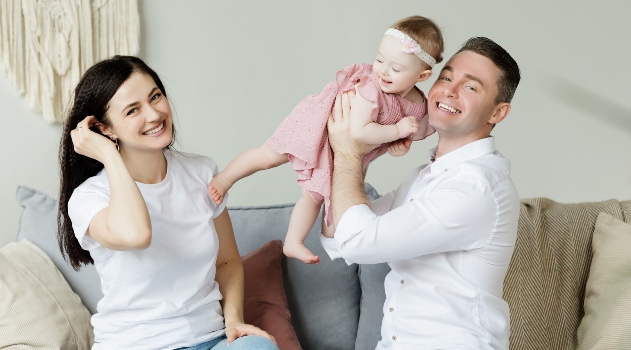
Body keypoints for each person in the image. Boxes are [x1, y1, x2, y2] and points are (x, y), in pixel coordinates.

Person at [56, 56, 278, 350]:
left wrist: (234, 320)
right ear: (105, 129)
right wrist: (109, 156)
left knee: (259, 347)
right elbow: (137, 235)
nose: (153, 114)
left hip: (209, 339)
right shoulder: (89, 198)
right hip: (135, 345)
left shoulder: (201, 172)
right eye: (133, 110)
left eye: (155, 97)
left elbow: (226, 260)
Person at [323, 37, 521, 349]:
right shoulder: (427, 175)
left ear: (497, 113)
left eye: (471, 87)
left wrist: (348, 154)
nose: (449, 91)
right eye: (446, 76)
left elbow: (358, 241)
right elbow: (338, 234)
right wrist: (360, 152)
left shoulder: (475, 186)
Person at [206, 16, 443, 264]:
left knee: (313, 196)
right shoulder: (370, 88)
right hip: (316, 126)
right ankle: (224, 179)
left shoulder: (417, 105)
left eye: (395, 68)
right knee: (267, 156)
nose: (382, 70)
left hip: (340, 151)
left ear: (422, 76)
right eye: (379, 59)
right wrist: (395, 131)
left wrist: (398, 144)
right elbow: (359, 131)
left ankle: (293, 242)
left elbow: (407, 133)